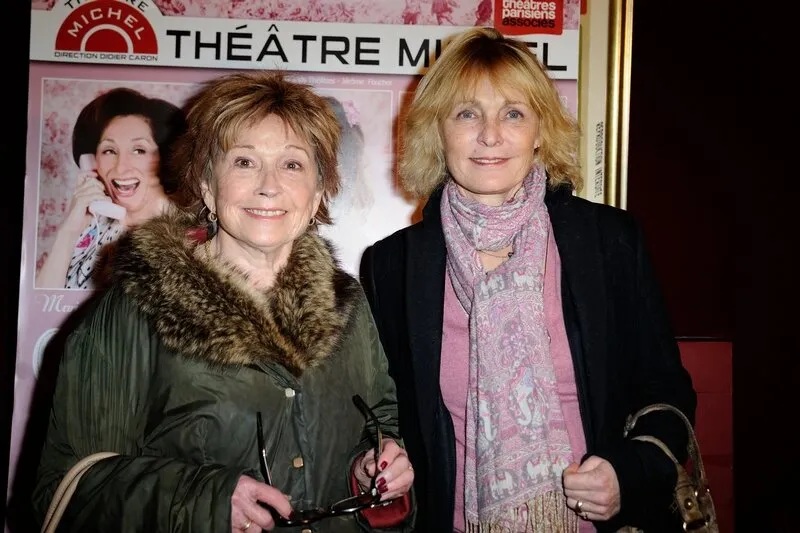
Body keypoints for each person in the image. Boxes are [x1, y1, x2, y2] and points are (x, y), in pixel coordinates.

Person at [32, 71, 415, 533]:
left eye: (292, 165)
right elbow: (64, 489)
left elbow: (379, 426)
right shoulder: (139, 305)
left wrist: (371, 468)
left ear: (318, 193)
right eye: (244, 162)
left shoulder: (346, 305)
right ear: (207, 186)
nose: (269, 185)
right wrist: (204, 502)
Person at [359, 27, 697, 533]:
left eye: (513, 113)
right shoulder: (393, 265)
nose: (490, 135)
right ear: (438, 131)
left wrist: (628, 472)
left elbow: (666, 390)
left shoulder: (608, 241)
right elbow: (383, 415)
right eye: (467, 113)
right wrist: (378, 457)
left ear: (540, 131)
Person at [35, 87, 186, 290]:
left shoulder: (187, 237)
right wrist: (68, 231)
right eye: (109, 150)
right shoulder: (94, 227)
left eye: (139, 150)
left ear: (166, 158)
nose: (120, 168)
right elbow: (41, 302)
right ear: (92, 160)